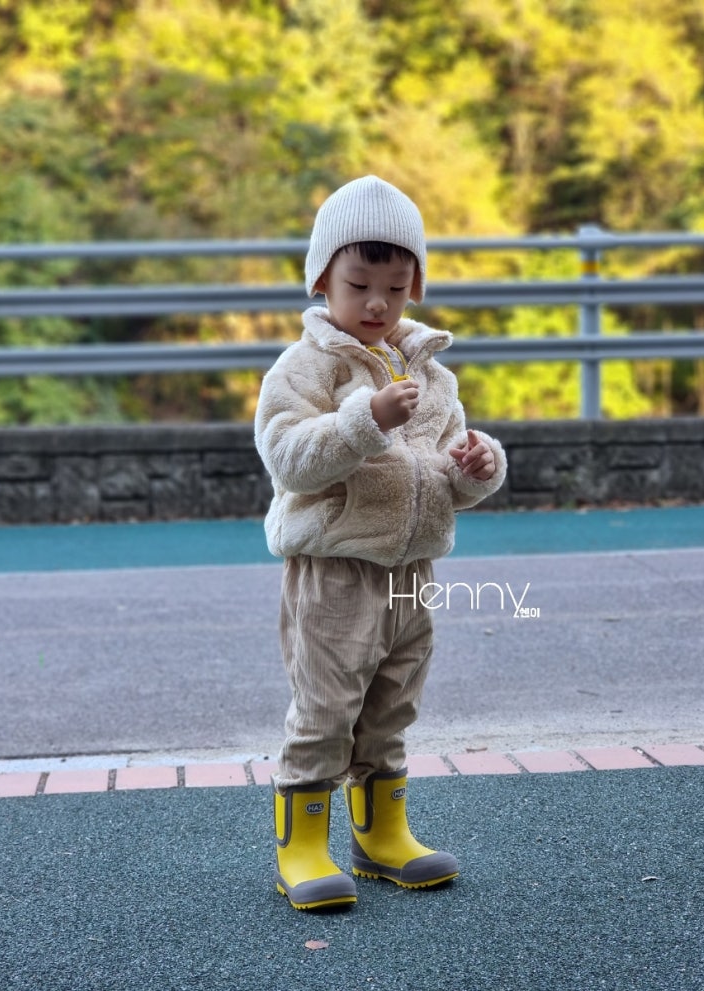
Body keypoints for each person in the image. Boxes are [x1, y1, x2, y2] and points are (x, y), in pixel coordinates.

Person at [254, 175, 507, 911]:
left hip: (410, 574)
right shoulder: (306, 367)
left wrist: (476, 468)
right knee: (326, 708)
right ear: (321, 280)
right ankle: (302, 845)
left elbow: (445, 468)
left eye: (394, 288)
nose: (376, 303)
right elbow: (288, 458)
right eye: (358, 285)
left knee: (392, 706)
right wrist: (365, 419)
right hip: (334, 570)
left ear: (414, 287)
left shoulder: (432, 373)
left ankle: (381, 833)